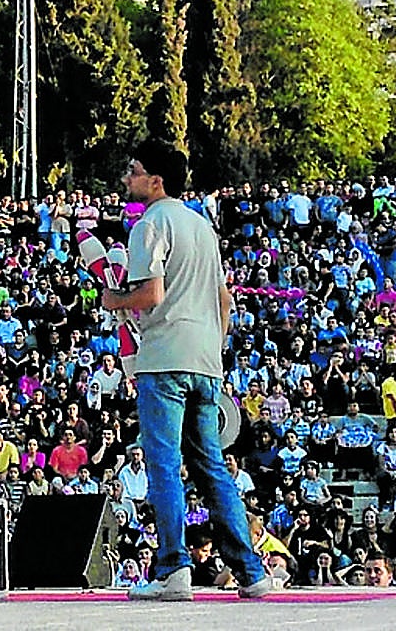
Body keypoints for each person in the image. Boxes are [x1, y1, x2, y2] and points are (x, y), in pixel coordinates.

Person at [101, 139, 270, 601]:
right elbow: (224, 299)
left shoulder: (148, 225)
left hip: (165, 359)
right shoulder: (201, 224)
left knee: (164, 465)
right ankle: (251, 571)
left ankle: (173, 568)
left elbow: (150, 295)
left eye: (134, 171)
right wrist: (213, 350)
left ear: (155, 181)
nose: (127, 178)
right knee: (211, 467)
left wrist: (113, 299)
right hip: (204, 360)